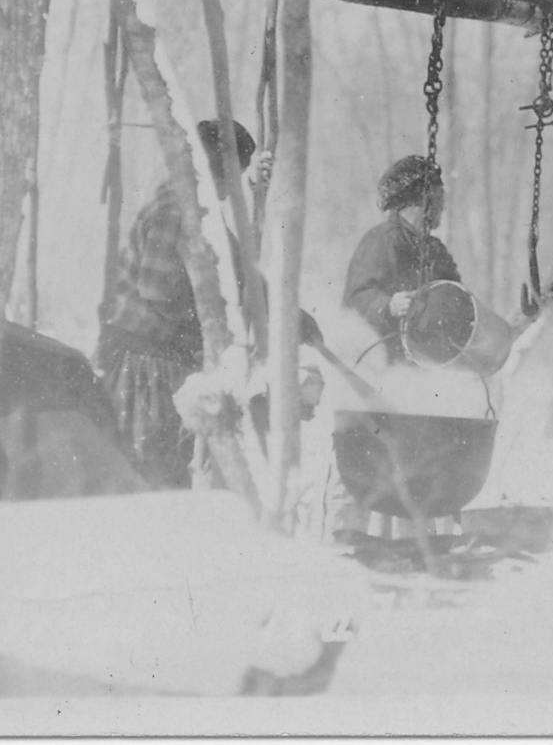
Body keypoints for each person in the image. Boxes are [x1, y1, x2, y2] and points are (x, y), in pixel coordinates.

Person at [94, 119, 323, 489]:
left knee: (168, 470)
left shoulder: (198, 209)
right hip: (144, 369)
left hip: (164, 363)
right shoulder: (176, 210)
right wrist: (217, 324)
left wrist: (288, 314)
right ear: (217, 172)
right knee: (151, 476)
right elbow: (156, 292)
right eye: (233, 176)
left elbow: (238, 271)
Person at [342, 154, 464, 359]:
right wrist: (388, 305)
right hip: (386, 367)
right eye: (437, 199)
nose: (442, 207)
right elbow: (354, 301)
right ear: (416, 203)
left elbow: (461, 305)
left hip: (430, 367)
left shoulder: (436, 250)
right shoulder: (382, 241)